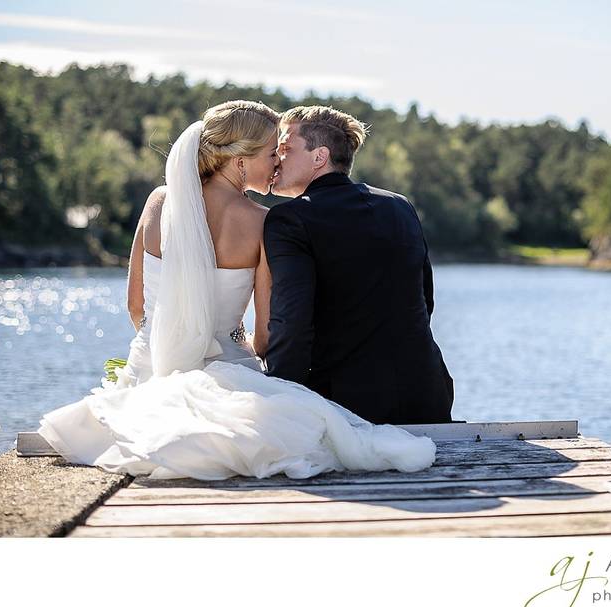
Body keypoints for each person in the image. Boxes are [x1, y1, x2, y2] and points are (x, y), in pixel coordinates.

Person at [38, 101, 435, 481]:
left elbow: (135, 305)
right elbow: (266, 334)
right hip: (226, 369)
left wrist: (169, 340)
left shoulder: (158, 201)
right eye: (270, 154)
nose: (276, 162)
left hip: (148, 368)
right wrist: (241, 349)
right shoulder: (263, 222)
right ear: (241, 160)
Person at [265, 106, 454, 425]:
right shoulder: (399, 206)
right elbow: (426, 301)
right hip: (427, 395)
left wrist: (282, 408)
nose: (276, 158)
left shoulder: (289, 219)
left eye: (286, 148)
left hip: (347, 408)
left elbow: (291, 325)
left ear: (319, 156)